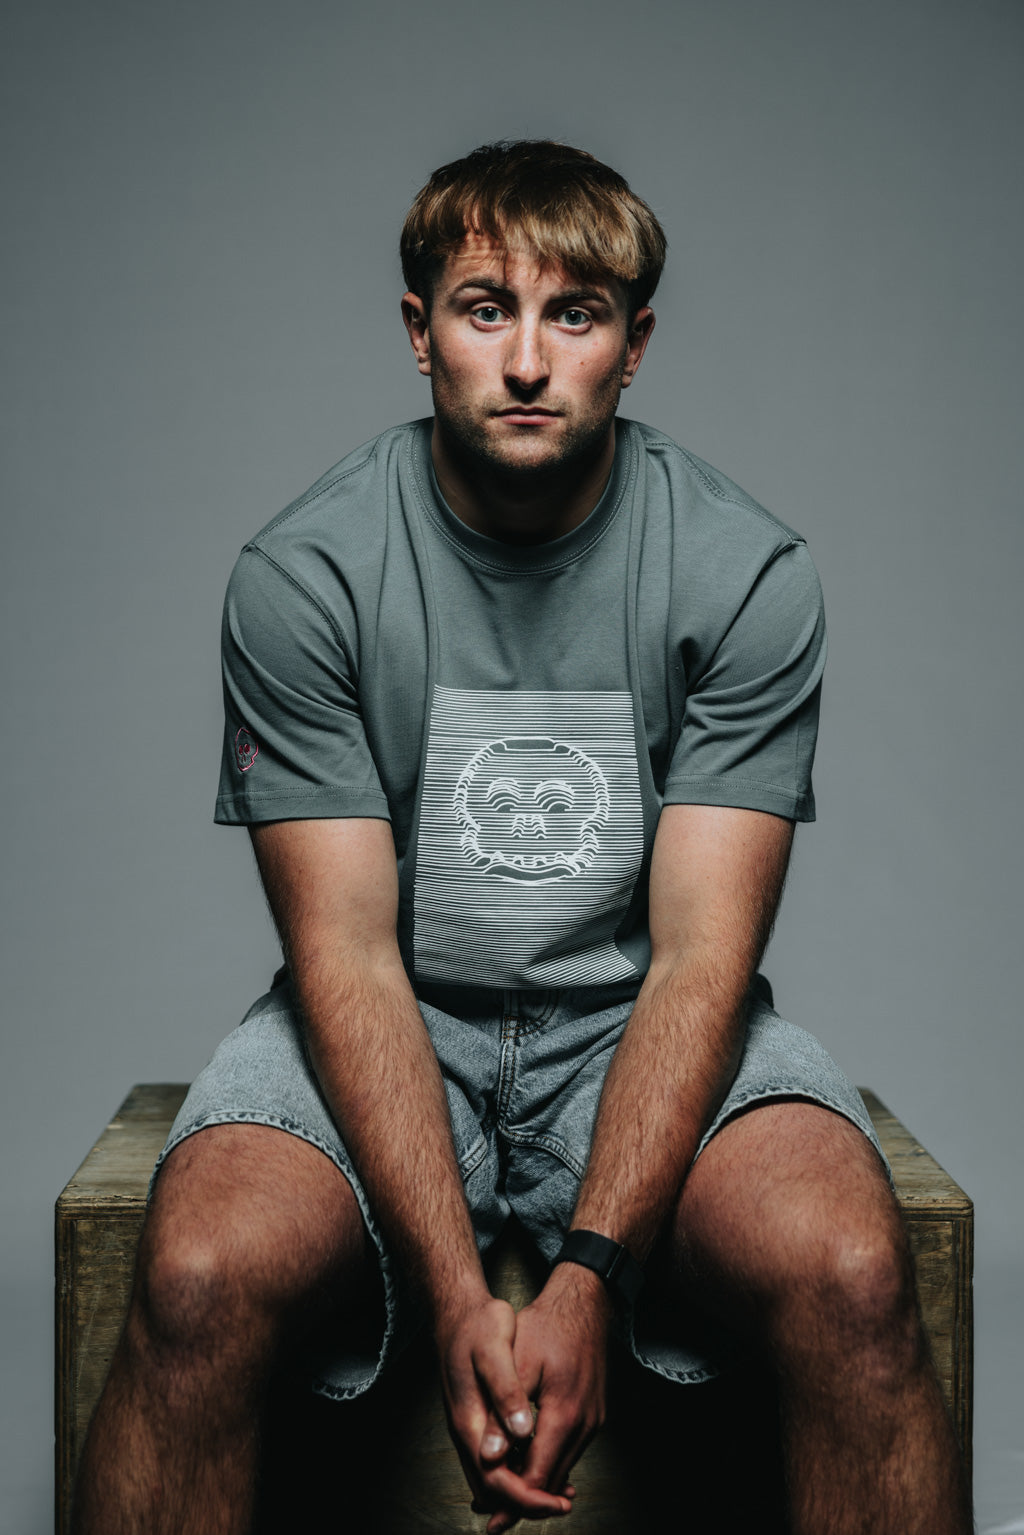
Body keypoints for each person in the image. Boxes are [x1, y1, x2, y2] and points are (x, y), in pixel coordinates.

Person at [74, 140, 971, 1535]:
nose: (531, 360)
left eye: (579, 313)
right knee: (193, 1279)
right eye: (487, 308)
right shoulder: (303, 576)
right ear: (419, 333)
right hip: (392, 1013)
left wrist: (588, 1280)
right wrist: (456, 1300)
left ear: (636, 345)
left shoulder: (744, 574)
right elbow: (350, 957)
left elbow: (697, 959)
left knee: (854, 1273)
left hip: (632, 1016)